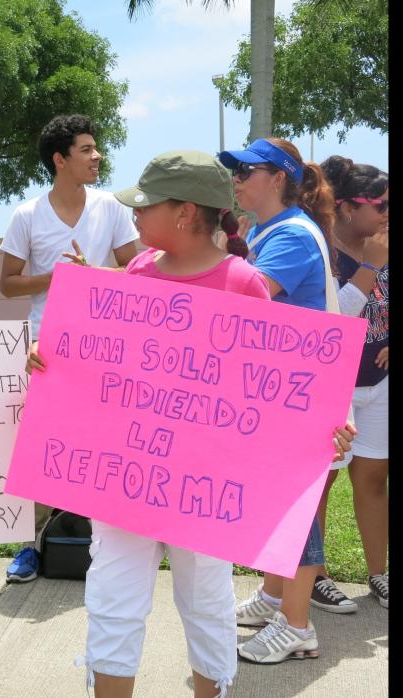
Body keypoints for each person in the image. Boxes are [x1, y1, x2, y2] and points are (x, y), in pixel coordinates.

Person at [28, 151, 354, 697]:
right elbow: (108, 360)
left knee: (206, 604)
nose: (133, 215)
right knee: (112, 603)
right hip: (126, 476)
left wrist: (324, 426)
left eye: (145, 205)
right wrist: (51, 351)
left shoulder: (243, 283)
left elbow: (275, 383)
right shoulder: (136, 272)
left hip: (204, 488)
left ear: (184, 213)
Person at [219, 137, 358, 664]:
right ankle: (277, 597)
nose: (236, 180)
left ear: (278, 178)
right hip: (284, 392)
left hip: (301, 395)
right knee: (279, 503)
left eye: (246, 171)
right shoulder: (267, 229)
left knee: (293, 509)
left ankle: (297, 626)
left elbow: (238, 301)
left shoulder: (292, 236)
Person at [0, 114, 140, 584]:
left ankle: (96, 546)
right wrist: (57, 278)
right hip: (46, 347)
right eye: (86, 150)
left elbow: (139, 272)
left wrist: (92, 277)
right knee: (43, 449)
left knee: (99, 447)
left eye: (95, 149)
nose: (97, 156)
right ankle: (28, 547)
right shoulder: (26, 214)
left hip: (105, 347)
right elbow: (8, 285)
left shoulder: (112, 208)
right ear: (60, 160)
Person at [311, 156, 389, 611]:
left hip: (378, 381)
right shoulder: (324, 251)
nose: (385, 214)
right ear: (344, 207)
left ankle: (378, 574)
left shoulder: (384, 244)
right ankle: (315, 576)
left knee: (374, 478)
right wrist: (369, 266)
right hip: (336, 385)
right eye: (378, 205)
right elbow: (331, 322)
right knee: (321, 484)